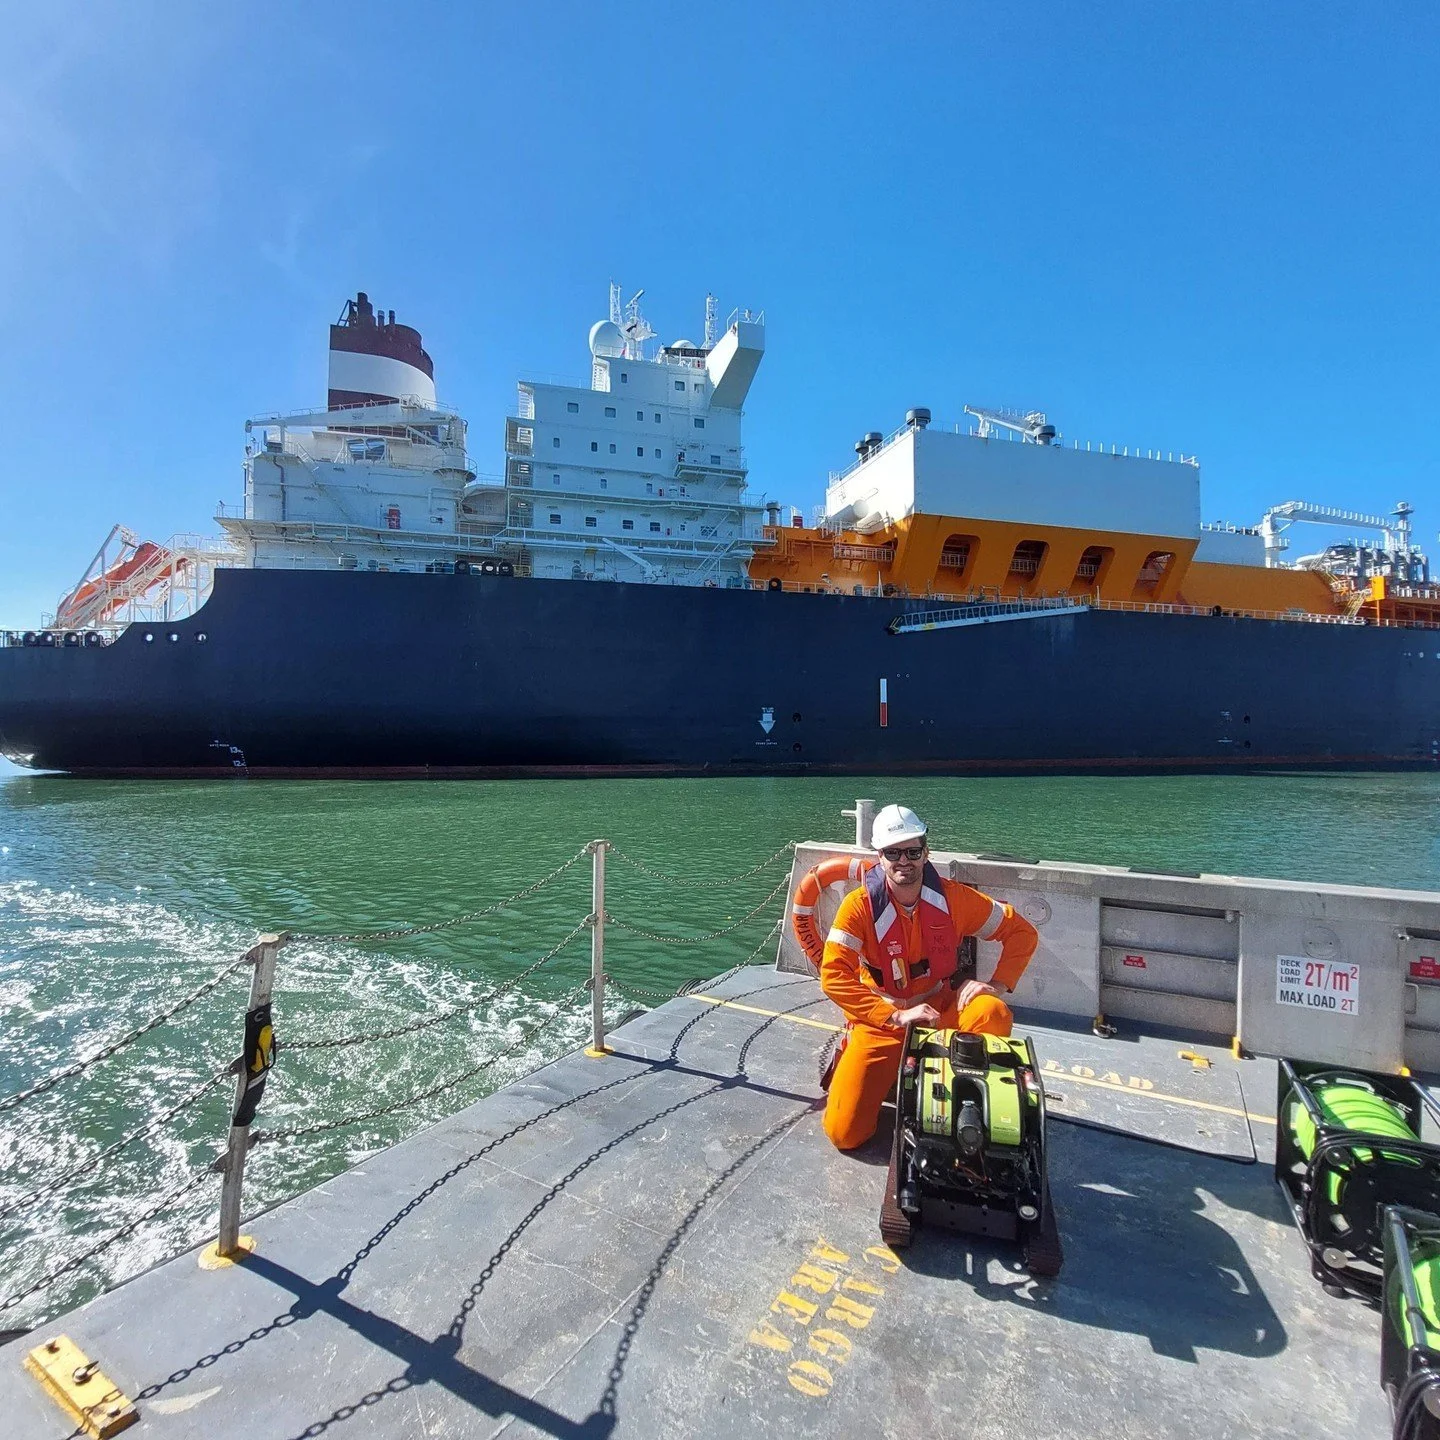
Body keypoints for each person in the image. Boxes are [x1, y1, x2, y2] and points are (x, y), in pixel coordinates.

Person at [819, 803, 1039, 1150]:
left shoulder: (956, 899)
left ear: (926, 852)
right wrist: (895, 1014)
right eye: (893, 852)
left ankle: (974, 1097)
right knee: (844, 1133)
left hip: (938, 1010)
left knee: (991, 1011)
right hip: (882, 1021)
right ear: (879, 856)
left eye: (912, 850)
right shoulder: (858, 907)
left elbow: (1021, 932)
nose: (903, 860)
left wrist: (996, 984)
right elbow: (832, 976)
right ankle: (866, 1058)